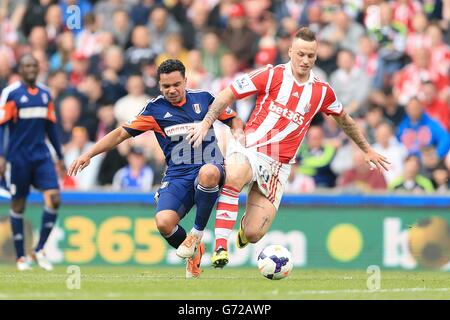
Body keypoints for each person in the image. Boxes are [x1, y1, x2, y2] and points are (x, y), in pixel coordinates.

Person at [187, 27, 390, 268]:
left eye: (311, 56)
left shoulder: (322, 91)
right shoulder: (271, 75)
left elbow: (345, 120)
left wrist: (366, 149)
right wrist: (206, 122)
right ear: (290, 51)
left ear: (316, 57)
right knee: (234, 173)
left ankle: (243, 231)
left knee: (254, 234)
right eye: (301, 54)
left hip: (278, 166)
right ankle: (220, 246)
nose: (305, 60)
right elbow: (227, 94)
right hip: (249, 148)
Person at [68, 59, 243, 278]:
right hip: (178, 175)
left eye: (176, 84)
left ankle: (195, 235)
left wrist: (238, 133)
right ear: (159, 85)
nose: (172, 90)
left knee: (208, 173)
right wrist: (89, 154)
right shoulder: (154, 109)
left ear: (185, 81)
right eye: (166, 86)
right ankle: (195, 251)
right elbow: (121, 133)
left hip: (210, 168)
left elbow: (234, 119)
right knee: (164, 223)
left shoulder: (204, 98)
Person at [0, 54, 65, 271]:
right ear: (20, 68)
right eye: (26, 65)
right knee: (18, 204)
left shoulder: (46, 94)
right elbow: (2, 127)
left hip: (41, 156)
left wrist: (60, 156)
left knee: (54, 198)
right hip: (17, 158)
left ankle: (38, 249)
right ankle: (20, 257)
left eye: (34, 65)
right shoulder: (11, 94)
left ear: (38, 68)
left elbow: (51, 128)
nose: (30, 69)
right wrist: (1, 156)